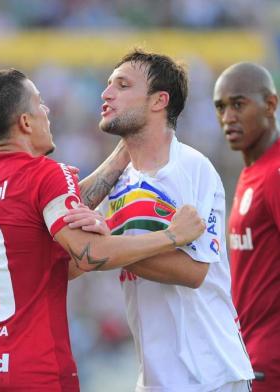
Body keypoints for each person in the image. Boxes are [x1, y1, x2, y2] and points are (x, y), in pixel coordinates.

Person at [0, 68, 205, 391]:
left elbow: (34, 230)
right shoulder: (43, 175)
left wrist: (125, 150)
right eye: (40, 104)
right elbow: (89, 255)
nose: (47, 111)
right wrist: (172, 236)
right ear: (25, 123)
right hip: (33, 371)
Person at [80, 49, 254, 392]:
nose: (106, 93)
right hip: (155, 380)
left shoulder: (189, 167)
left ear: (159, 101)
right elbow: (77, 254)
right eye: (108, 84)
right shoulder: (121, 180)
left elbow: (193, 271)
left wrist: (108, 245)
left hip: (210, 374)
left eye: (122, 85)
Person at [213, 62, 280, 392]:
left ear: (270, 105)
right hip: (248, 357)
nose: (227, 118)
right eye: (220, 107)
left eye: (238, 104)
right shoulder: (252, 172)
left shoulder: (276, 173)